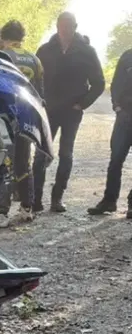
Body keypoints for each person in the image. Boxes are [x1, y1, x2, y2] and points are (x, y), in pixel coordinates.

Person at [32, 12, 105, 213]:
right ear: (57, 26)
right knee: (42, 154)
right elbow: (35, 80)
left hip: (72, 111)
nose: (65, 29)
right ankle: (35, 199)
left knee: (66, 154)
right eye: (62, 25)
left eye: (69, 25)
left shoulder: (87, 51)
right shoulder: (45, 50)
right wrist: (39, 101)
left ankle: (57, 198)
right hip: (48, 110)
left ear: (75, 26)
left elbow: (98, 83)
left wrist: (82, 104)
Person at [0, 20, 44, 228]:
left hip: (5, 117)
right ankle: (27, 208)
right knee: (23, 163)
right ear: (23, 37)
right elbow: (40, 95)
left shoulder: (1, 57)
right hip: (26, 118)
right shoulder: (35, 60)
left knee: (5, 162)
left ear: (3, 38)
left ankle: (1, 213)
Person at [88, 47, 132, 218]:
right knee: (115, 161)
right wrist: (117, 107)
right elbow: (116, 83)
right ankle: (109, 201)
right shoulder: (127, 56)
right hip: (125, 118)